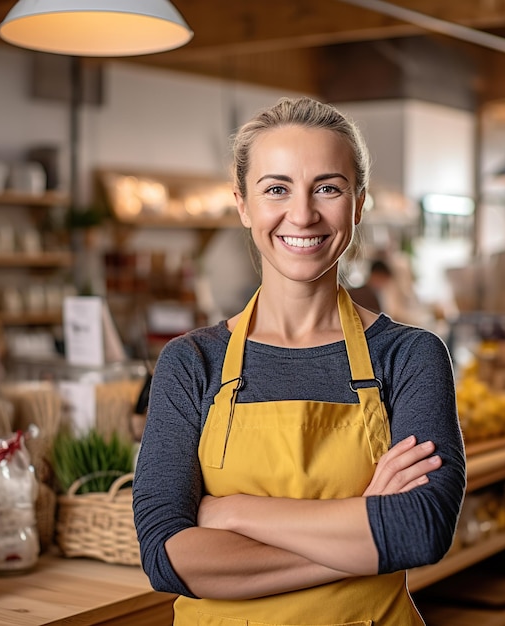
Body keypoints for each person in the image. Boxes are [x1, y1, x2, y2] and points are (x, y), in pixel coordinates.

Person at [133, 96, 466, 625]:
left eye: (328, 188)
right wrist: (365, 531)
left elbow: (419, 530)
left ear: (358, 204)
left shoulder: (410, 357)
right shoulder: (191, 362)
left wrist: (232, 512)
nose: (303, 214)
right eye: (277, 189)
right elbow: (166, 557)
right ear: (243, 204)